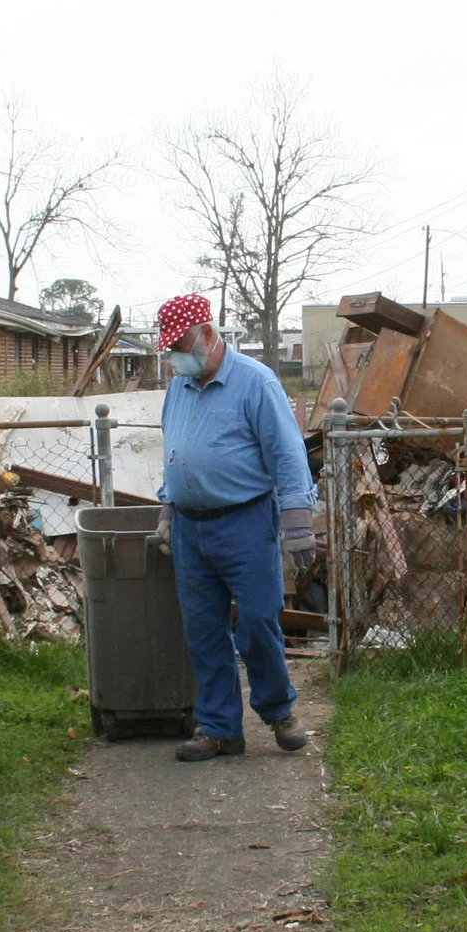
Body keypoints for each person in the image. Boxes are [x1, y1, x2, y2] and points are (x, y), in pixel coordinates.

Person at [153, 294, 317, 761]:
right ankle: (221, 728)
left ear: (208, 334)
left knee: (260, 621)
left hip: (244, 522)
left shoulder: (255, 382)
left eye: (180, 345)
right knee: (204, 630)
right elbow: (174, 453)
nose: (174, 357)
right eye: (169, 348)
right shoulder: (178, 388)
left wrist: (298, 520)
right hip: (191, 528)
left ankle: (279, 710)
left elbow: (287, 454)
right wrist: (168, 510)